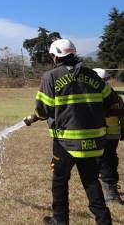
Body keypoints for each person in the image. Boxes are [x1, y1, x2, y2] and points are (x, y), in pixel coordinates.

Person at [24, 39, 118, 225]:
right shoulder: (92, 75)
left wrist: (33, 118)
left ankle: (60, 220)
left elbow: (43, 110)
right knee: (91, 181)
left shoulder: (51, 77)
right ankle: (103, 220)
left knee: (60, 180)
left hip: (65, 142)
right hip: (93, 140)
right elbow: (111, 99)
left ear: (55, 56)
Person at [94, 68, 124, 204]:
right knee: (106, 160)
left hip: (106, 134)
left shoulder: (96, 97)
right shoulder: (115, 96)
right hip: (110, 134)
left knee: (106, 160)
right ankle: (107, 188)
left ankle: (110, 191)